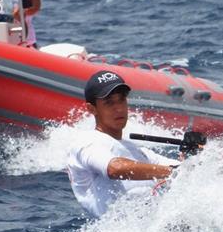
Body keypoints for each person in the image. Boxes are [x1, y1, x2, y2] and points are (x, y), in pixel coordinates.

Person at [67, 70, 180, 217]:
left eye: (121, 100)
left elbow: (184, 170)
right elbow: (114, 168)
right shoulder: (86, 143)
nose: (119, 108)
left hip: (150, 228)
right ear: (91, 109)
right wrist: (171, 172)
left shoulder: (137, 151)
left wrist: (192, 154)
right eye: (109, 102)